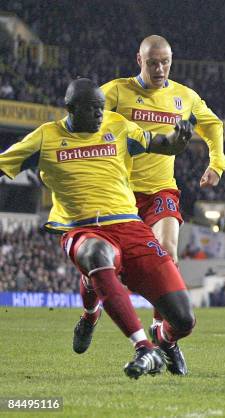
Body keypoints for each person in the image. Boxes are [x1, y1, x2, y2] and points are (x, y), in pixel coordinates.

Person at [0, 78, 196, 379]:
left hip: (130, 226)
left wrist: (178, 140)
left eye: (100, 108)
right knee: (96, 254)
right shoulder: (46, 137)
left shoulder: (116, 125)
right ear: (70, 109)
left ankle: (162, 339)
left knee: (184, 319)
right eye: (91, 109)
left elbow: (162, 145)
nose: (98, 115)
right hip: (82, 229)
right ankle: (143, 348)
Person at [72, 35, 225, 375]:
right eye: (153, 62)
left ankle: (164, 338)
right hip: (118, 194)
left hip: (160, 191)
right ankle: (90, 313)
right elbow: (83, 122)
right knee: (98, 270)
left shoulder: (184, 97)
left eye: (166, 62)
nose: (160, 69)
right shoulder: (115, 91)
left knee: (167, 254)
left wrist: (217, 163)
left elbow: (213, 124)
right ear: (138, 60)